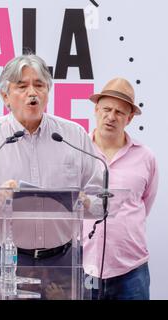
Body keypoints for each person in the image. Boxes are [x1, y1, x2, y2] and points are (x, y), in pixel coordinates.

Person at [0, 54, 103, 300]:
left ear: (48, 92)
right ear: (5, 96)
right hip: (6, 259)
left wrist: (86, 201)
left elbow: (101, 197)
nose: (32, 92)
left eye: (39, 85)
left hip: (64, 259)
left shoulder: (73, 136)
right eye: (22, 86)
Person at [83, 78, 159, 300]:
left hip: (131, 271)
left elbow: (144, 204)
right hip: (83, 266)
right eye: (106, 109)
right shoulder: (77, 152)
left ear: (130, 118)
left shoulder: (146, 157)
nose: (111, 116)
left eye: (119, 112)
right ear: (96, 109)